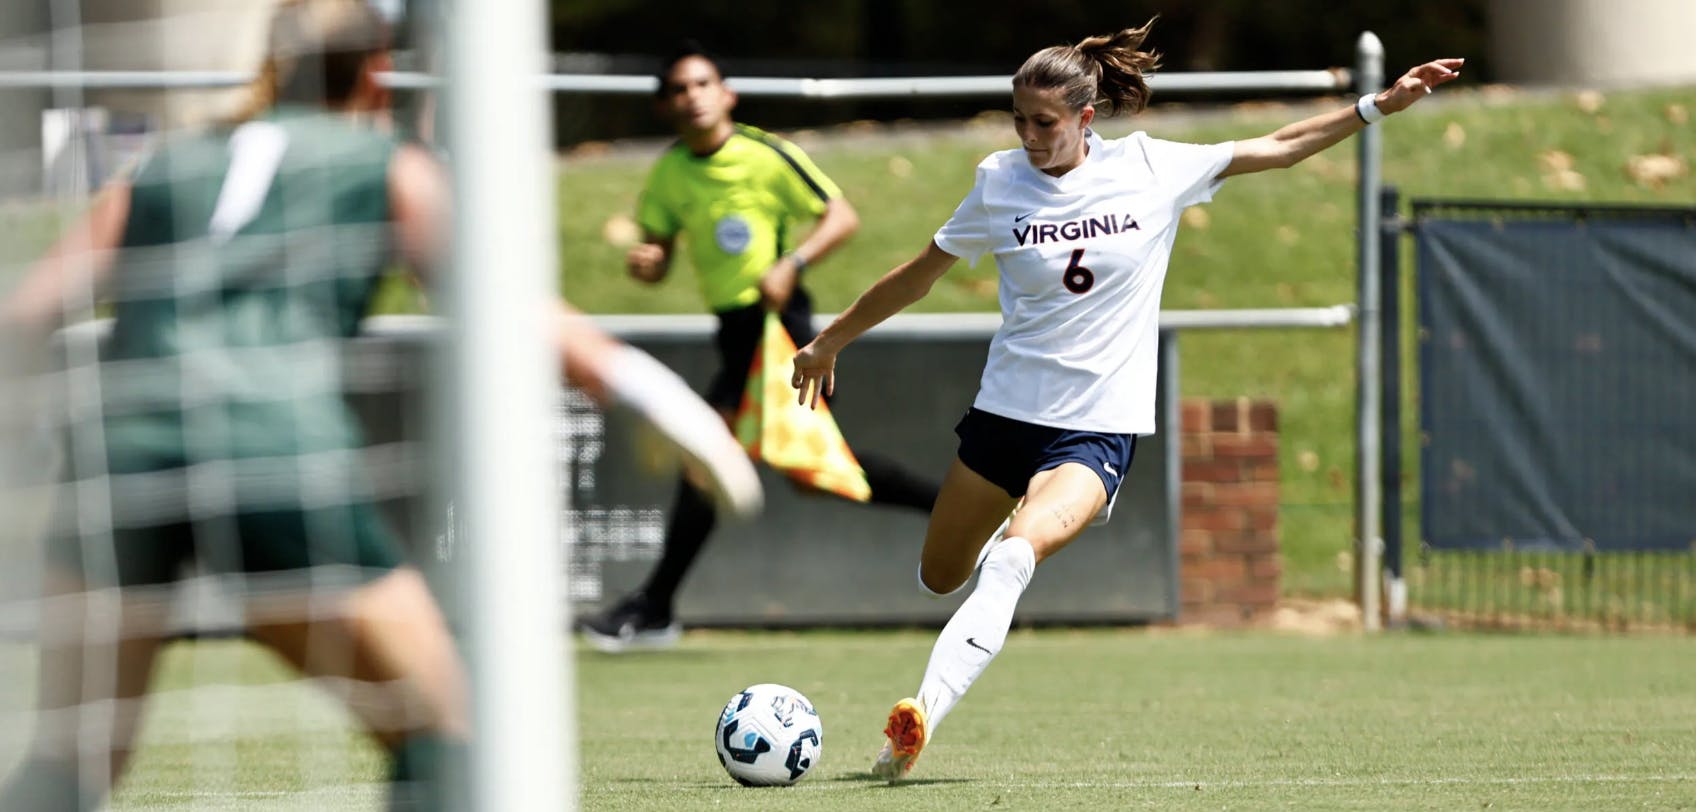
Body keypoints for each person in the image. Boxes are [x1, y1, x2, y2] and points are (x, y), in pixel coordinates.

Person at [0, 2, 756, 809]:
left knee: (68, 766)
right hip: (273, 452)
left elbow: (26, 315)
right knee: (449, 741)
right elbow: (503, 306)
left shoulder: (162, 166)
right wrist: (657, 396)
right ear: (375, 68)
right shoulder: (386, 165)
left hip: (117, 457)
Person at [791, 20, 1461, 782]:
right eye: (1020, 120)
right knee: (942, 575)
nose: (1030, 135)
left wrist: (1376, 105)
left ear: (1085, 118)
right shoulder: (997, 181)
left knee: (1014, 557)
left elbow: (1278, 144)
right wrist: (831, 341)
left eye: (1044, 123)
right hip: (1005, 416)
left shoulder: (1150, 168)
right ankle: (988, 571)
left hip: (1095, 430)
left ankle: (914, 724)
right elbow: (918, 274)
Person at [581, 42, 941, 652]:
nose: (692, 97)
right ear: (667, 105)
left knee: (758, 462)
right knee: (812, 470)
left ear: (727, 94)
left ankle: (655, 606)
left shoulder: (765, 154)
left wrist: (792, 262)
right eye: (679, 89)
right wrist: (648, 263)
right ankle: (966, 512)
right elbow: (659, 254)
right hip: (736, 333)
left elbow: (841, 217)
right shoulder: (669, 173)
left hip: (781, 330)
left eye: (702, 84)